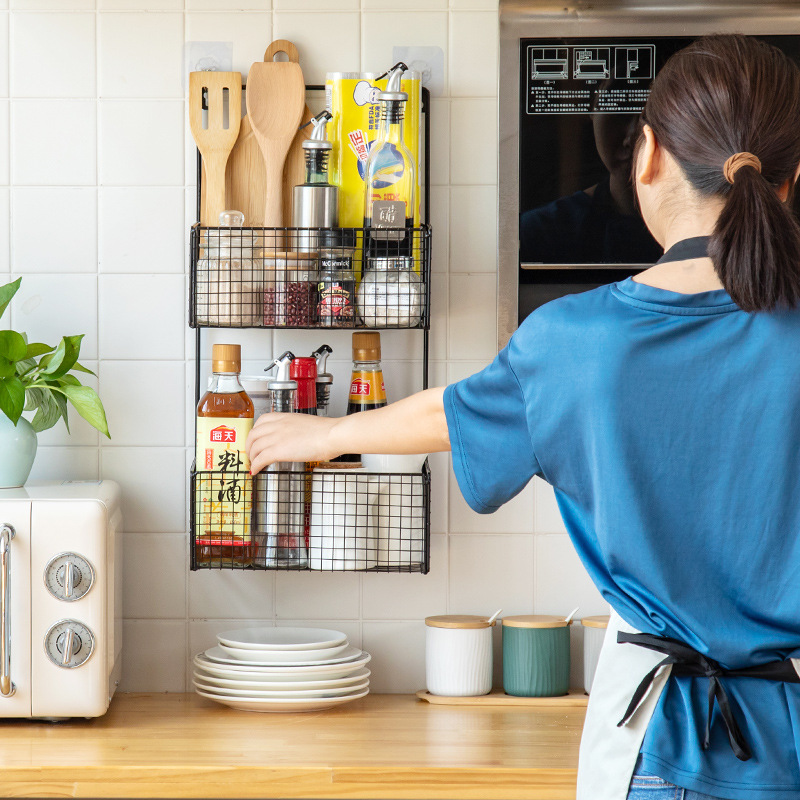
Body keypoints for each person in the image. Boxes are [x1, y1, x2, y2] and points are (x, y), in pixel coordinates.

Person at [247, 34, 800, 800]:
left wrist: (329, 433)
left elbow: (452, 413)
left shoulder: (576, 344)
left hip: (658, 748)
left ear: (647, 157)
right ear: (790, 180)